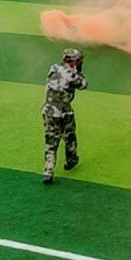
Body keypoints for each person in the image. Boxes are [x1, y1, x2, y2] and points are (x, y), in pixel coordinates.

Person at [41, 48, 88, 184]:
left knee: (51, 142)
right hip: (64, 112)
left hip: (48, 111)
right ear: (74, 61)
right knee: (69, 136)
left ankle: (48, 171)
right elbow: (83, 85)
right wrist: (78, 72)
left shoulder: (54, 68)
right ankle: (71, 160)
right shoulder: (73, 75)